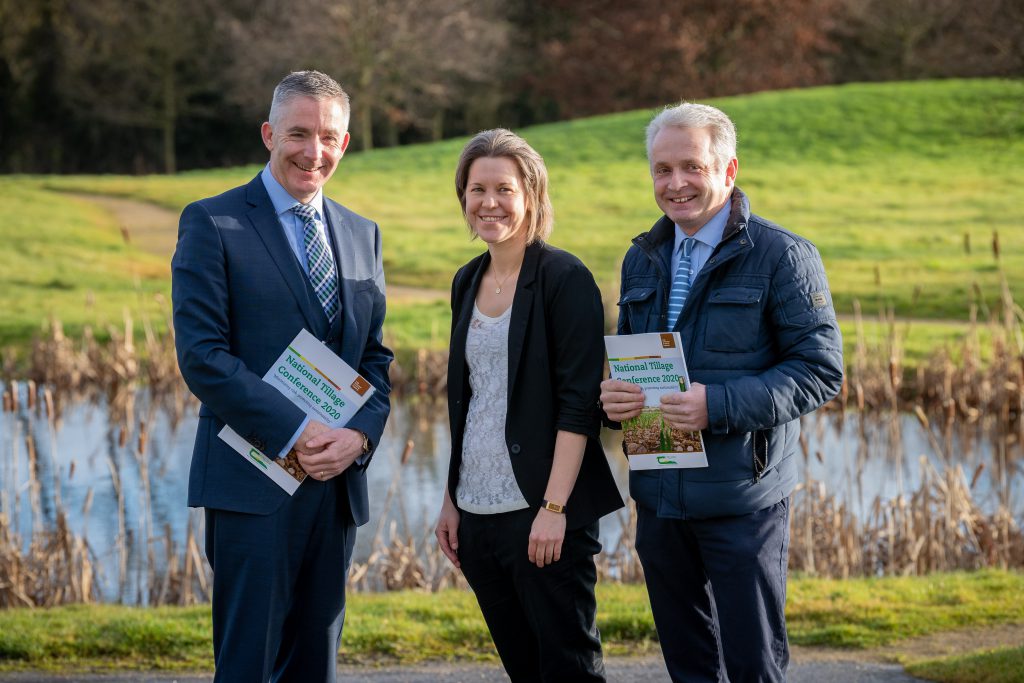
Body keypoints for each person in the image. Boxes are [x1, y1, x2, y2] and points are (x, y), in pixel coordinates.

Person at [599, 103, 844, 682]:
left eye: (692, 166)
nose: (675, 183)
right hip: (659, 496)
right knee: (688, 666)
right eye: (662, 169)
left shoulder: (783, 255)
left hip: (743, 498)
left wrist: (719, 406)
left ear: (728, 170)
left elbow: (820, 370)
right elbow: (631, 364)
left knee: (753, 666)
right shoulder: (642, 258)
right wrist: (609, 400)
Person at [172, 70, 392, 681]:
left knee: (315, 662)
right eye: (298, 133)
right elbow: (203, 357)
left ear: (344, 144)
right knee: (247, 664)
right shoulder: (213, 222)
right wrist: (299, 433)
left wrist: (359, 438)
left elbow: (374, 359)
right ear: (269, 134)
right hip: (252, 480)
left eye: (328, 137)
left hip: (335, 486)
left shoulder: (360, 232)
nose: (312, 151)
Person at [434, 129, 624, 682]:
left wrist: (555, 509)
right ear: (463, 198)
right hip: (476, 513)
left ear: (532, 196)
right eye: (476, 189)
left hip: (544, 513)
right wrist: (451, 500)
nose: (488, 203)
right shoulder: (466, 280)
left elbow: (578, 406)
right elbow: (468, 401)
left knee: (568, 670)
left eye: (504, 189)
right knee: (523, 668)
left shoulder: (565, 278)